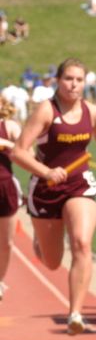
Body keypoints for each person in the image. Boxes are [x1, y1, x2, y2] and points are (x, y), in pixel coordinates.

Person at [10, 58, 96, 335]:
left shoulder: (91, 111)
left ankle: (76, 313)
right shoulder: (46, 112)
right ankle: (40, 239)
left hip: (80, 184)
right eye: (69, 78)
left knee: (82, 243)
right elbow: (19, 152)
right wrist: (46, 172)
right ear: (58, 80)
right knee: (52, 262)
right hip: (46, 189)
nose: (74, 84)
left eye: (79, 80)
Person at [0, 96, 22, 300]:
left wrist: (7, 143)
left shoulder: (10, 127)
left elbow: (28, 154)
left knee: (6, 243)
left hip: (4, 188)